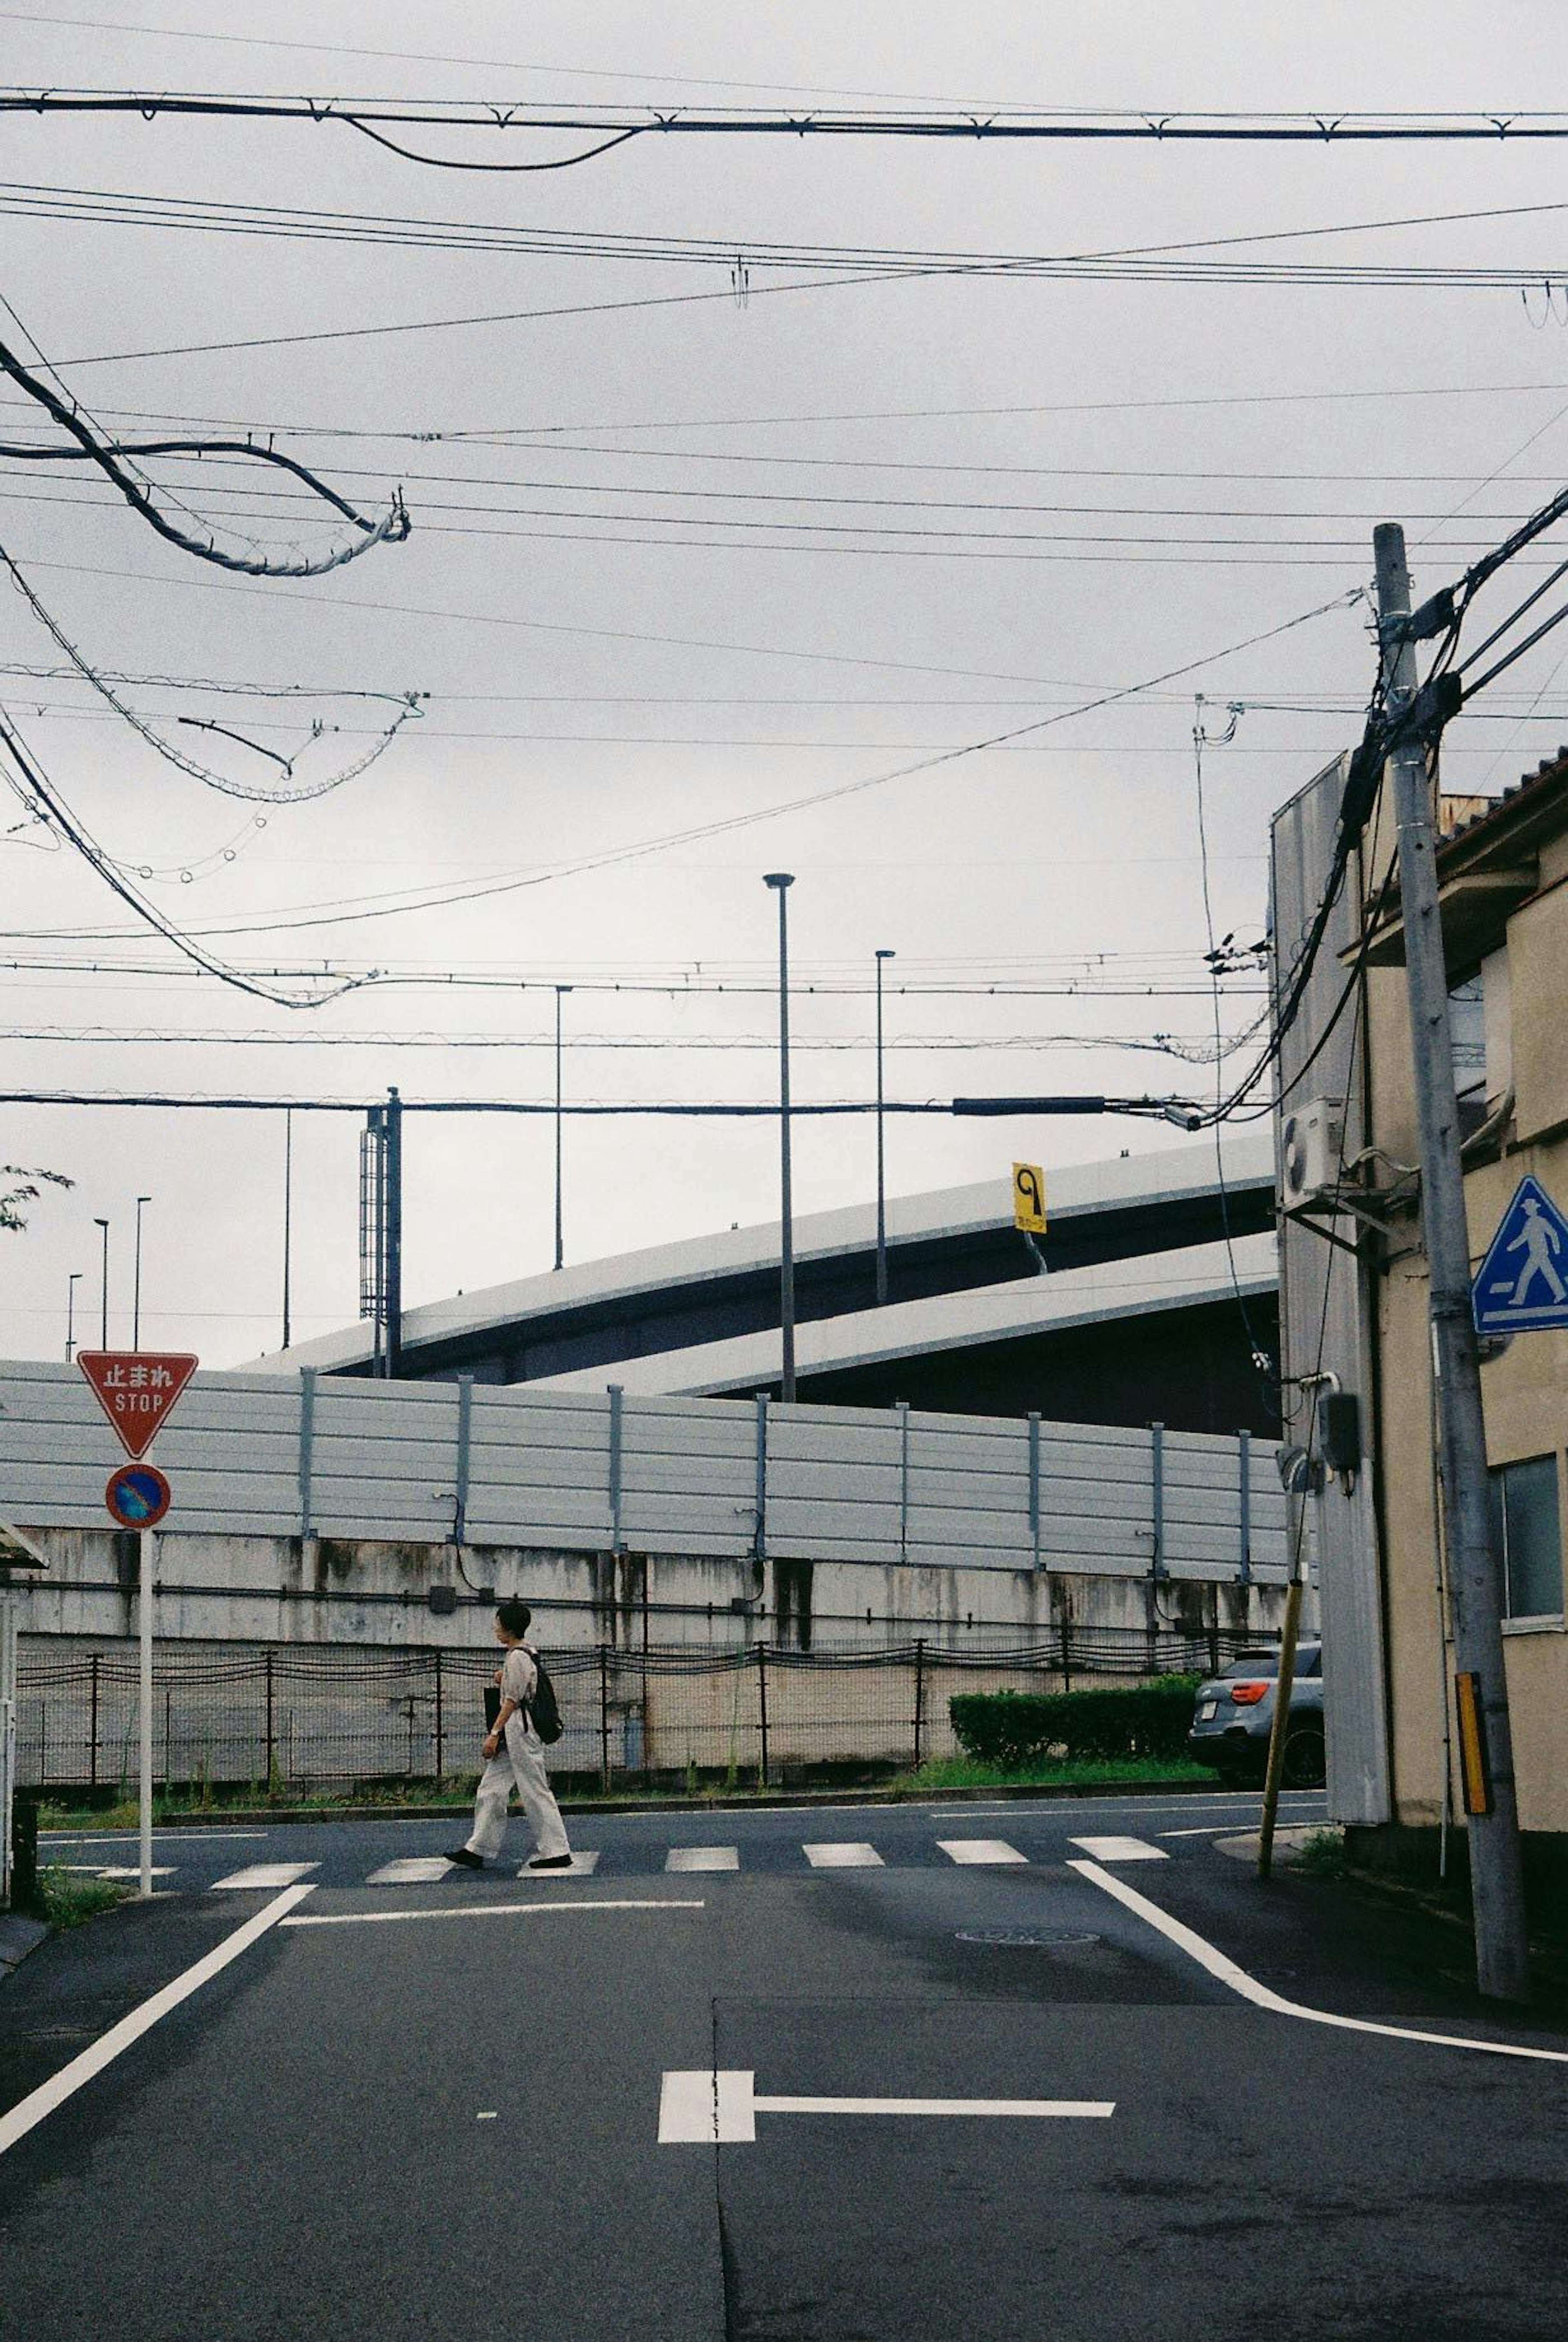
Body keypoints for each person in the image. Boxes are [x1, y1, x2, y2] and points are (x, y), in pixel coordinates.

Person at [448, 1600, 574, 1872]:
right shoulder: (525, 1653)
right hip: (517, 1729)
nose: (496, 1628)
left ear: (508, 1627)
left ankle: (557, 1850)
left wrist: (493, 1734)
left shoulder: (518, 1656)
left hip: (520, 1729)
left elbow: (512, 1700)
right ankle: (477, 1848)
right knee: (491, 1789)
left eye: (498, 1623)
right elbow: (522, 1682)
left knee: (534, 1788)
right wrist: (502, 1676)